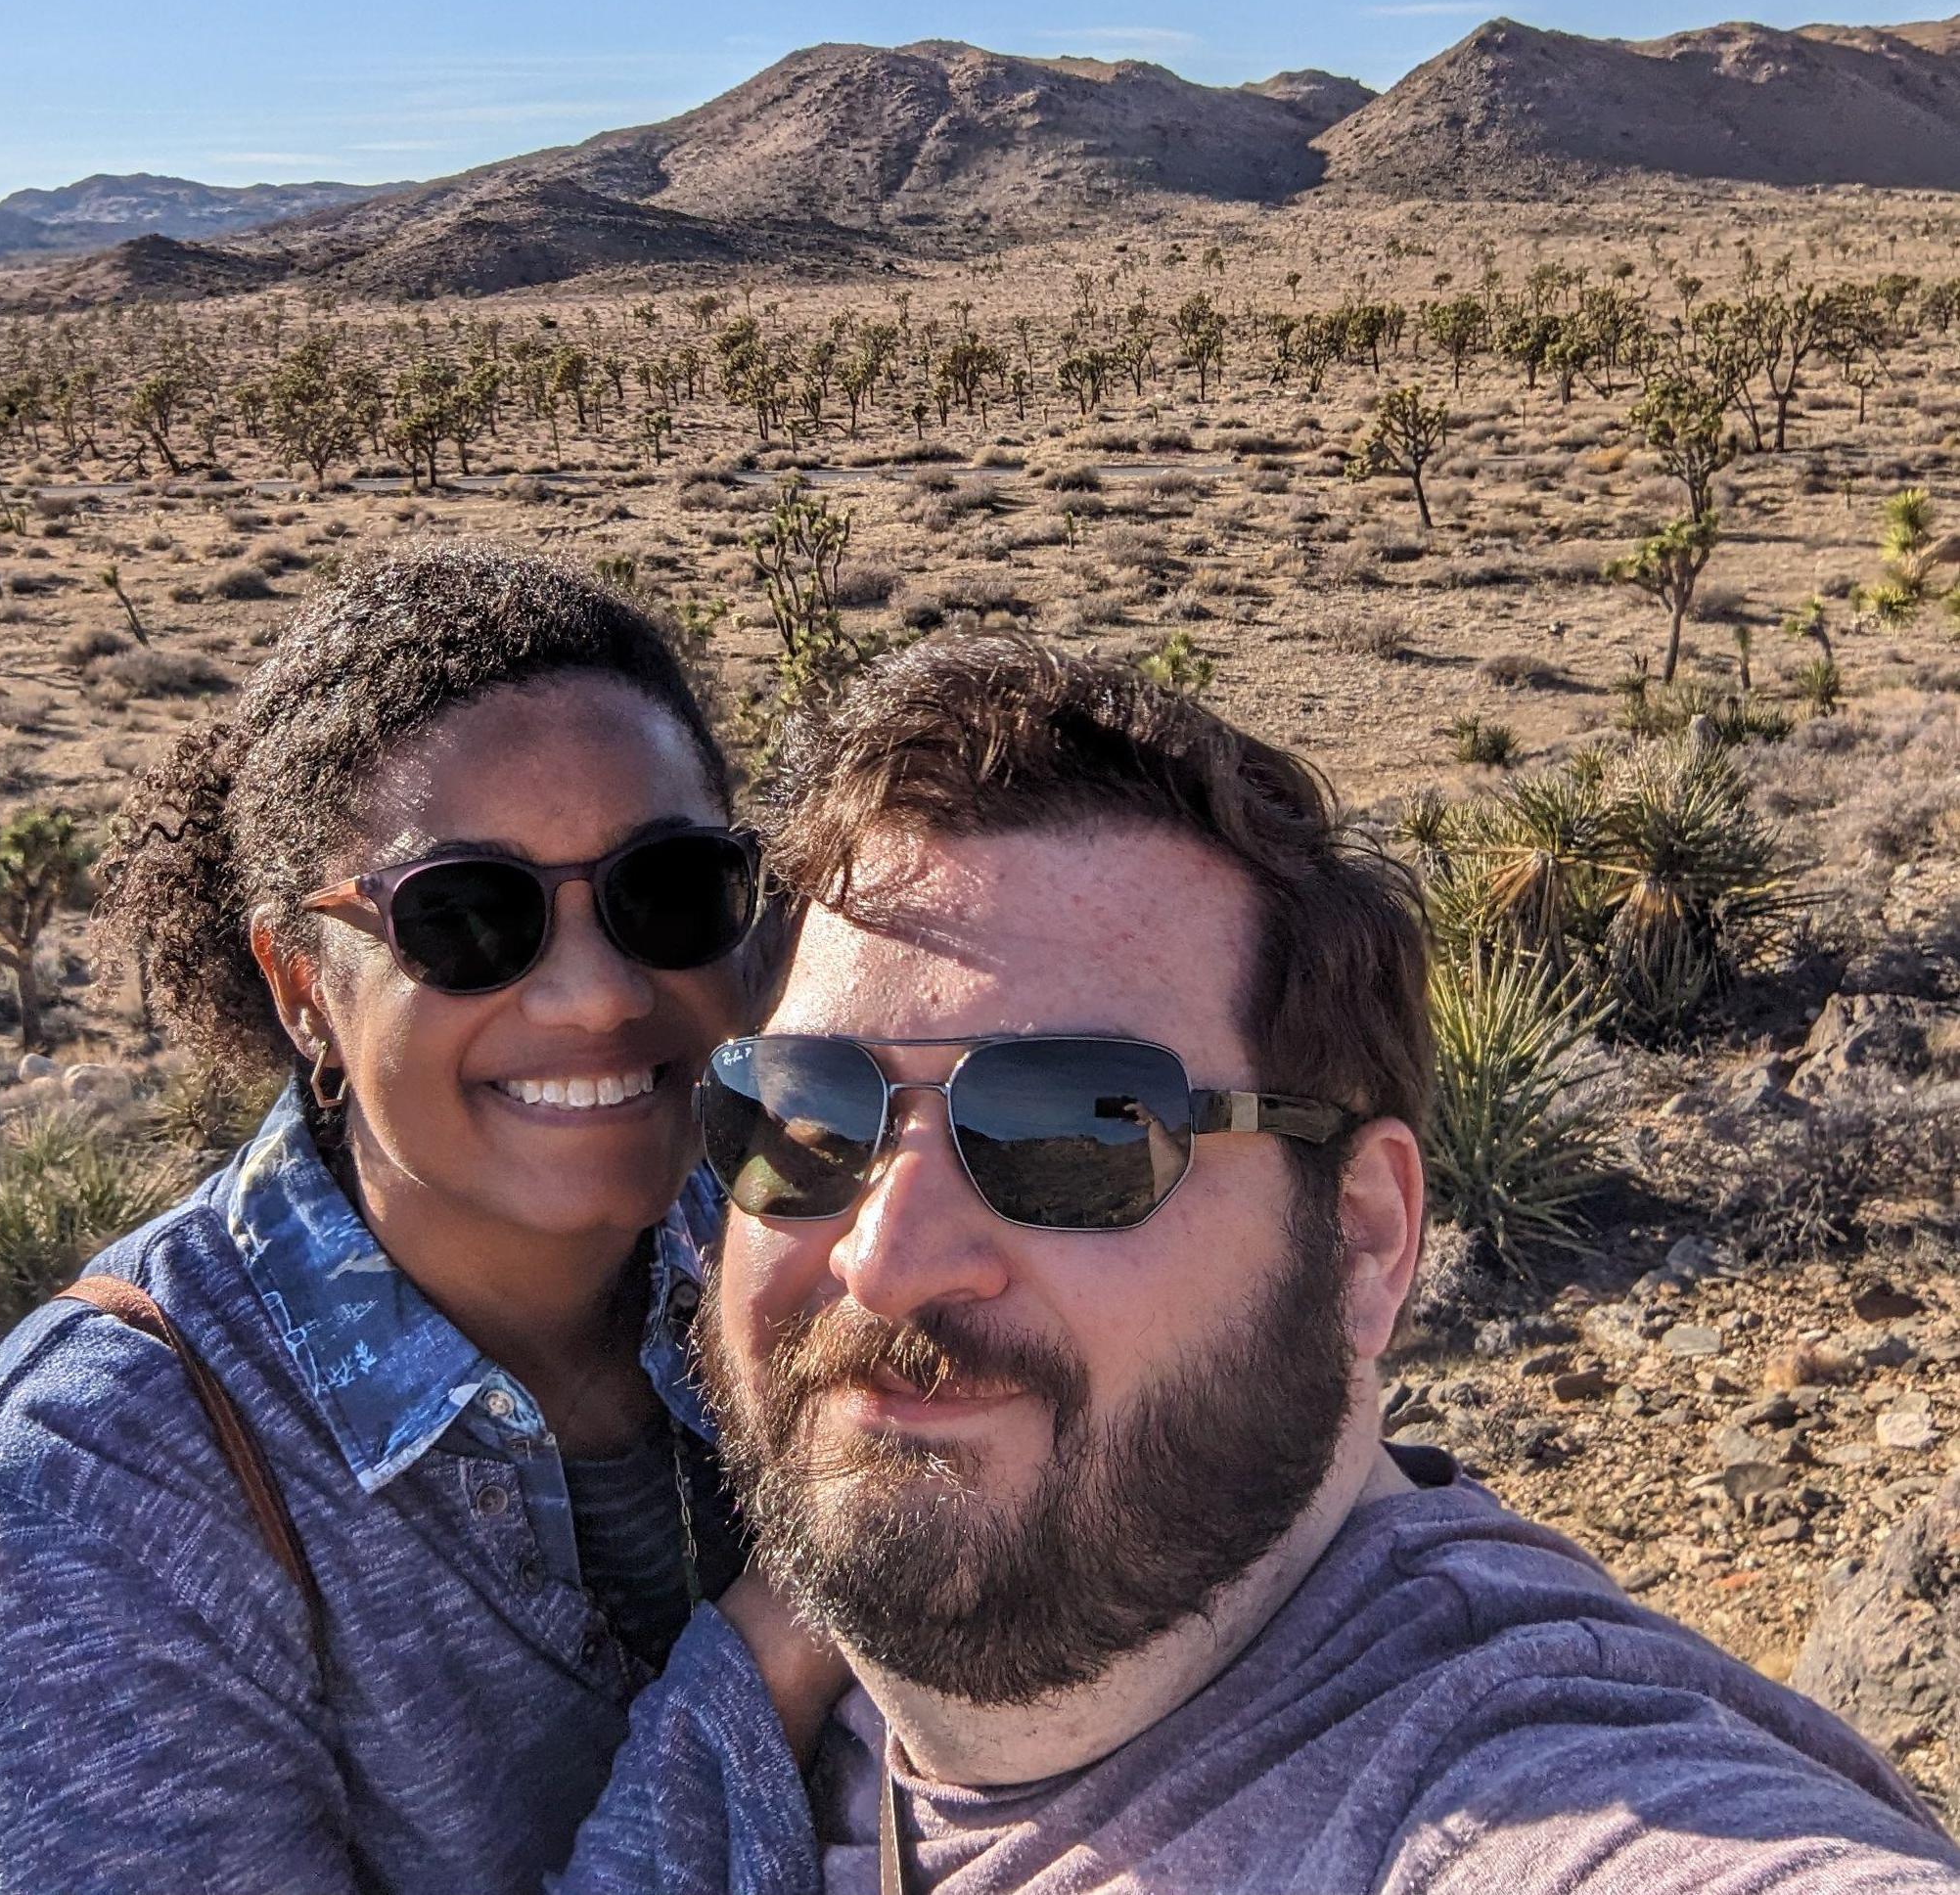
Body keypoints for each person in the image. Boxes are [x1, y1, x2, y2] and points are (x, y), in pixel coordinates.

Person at [661, 633, 1960, 1894]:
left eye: (1071, 1132)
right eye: (810, 1118)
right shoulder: (796, 1682)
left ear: (1362, 1238)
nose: (885, 1259)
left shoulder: (1544, 1789)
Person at [0, 543, 843, 1895]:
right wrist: (769, 1660)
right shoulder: (86, 1493)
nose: (593, 994)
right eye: (465, 918)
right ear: (298, 985)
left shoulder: (842, 1231)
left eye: (666, 892)